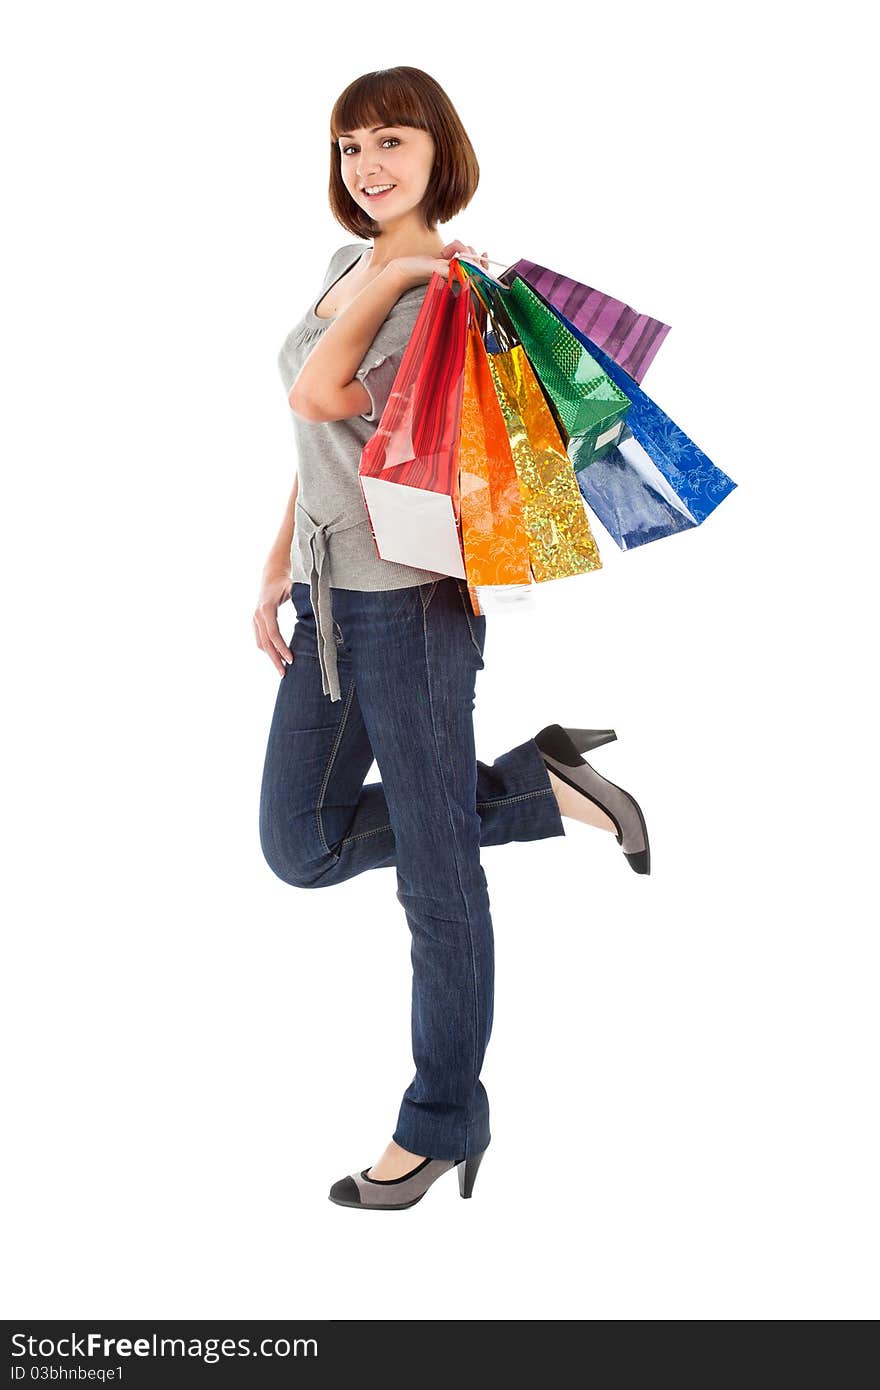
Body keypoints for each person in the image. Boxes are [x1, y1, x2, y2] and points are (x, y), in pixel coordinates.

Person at [255, 66, 651, 1212]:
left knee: (436, 876)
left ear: (439, 151)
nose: (367, 167)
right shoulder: (355, 267)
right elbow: (308, 437)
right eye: (348, 147)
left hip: (412, 605)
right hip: (329, 593)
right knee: (299, 842)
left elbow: (327, 394)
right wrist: (275, 560)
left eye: (390, 142)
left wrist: (409, 273)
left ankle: (439, 1122)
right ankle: (543, 789)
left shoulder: (438, 294)